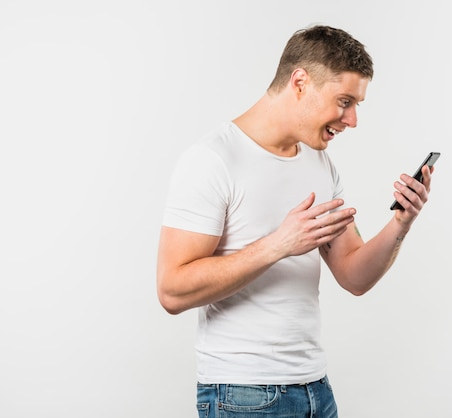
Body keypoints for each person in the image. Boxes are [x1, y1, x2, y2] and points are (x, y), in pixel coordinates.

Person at [157, 25, 434, 418]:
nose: (352, 119)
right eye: (344, 101)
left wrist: (400, 224)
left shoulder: (319, 163)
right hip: (244, 395)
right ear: (300, 82)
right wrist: (278, 244)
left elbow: (353, 276)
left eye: (356, 105)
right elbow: (171, 291)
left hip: (315, 389)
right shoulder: (212, 160)